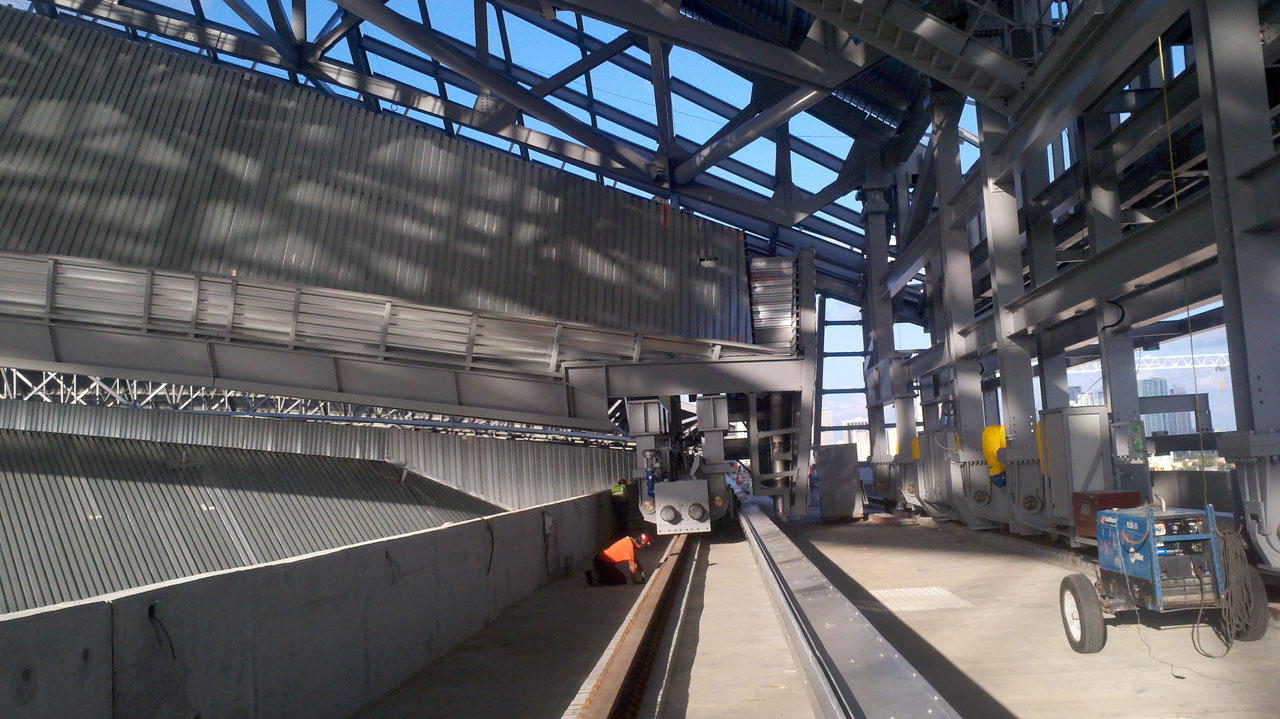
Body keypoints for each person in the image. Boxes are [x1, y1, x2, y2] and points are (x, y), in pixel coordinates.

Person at [585, 533, 652, 586]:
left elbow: (636, 561)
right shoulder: (630, 547)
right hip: (601, 562)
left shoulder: (629, 540)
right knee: (621, 580)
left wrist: (642, 575)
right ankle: (595, 577)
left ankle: (599, 573)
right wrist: (634, 581)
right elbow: (632, 565)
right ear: (641, 545)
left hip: (602, 560)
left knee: (619, 577)